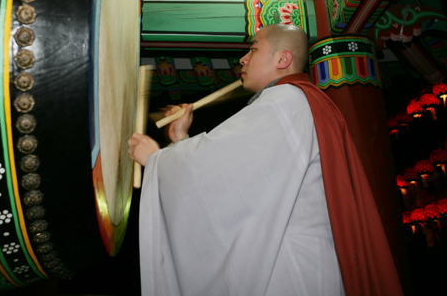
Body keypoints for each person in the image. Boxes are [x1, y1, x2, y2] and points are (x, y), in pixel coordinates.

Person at [128, 24, 402, 296]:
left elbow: (219, 176)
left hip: (293, 269)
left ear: (283, 59)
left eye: (253, 49)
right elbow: (237, 183)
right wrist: (181, 141)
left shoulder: (283, 101)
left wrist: (157, 160)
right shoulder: (296, 101)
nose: (243, 59)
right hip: (302, 262)